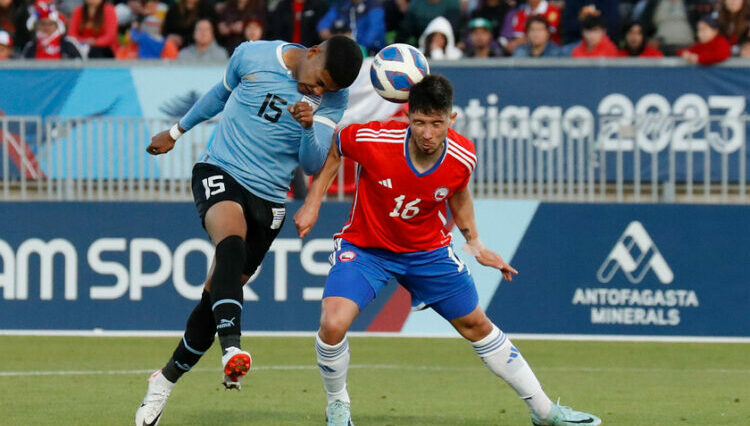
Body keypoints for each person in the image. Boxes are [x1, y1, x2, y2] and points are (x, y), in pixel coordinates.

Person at [293, 74, 602, 426]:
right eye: (420, 122)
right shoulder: (374, 137)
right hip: (367, 248)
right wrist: (313, 203)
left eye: (437, 124)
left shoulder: (463, 155)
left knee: (476, 324)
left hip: (426, 251)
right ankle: (338, 405)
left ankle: (545, 412)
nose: (427, 133)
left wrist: (475, 242)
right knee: (333, 324)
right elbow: (336, 148)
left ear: (450, 120)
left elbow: (458, 192)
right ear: (408, 116)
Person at [134, 36, 363, 426]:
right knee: (230, 242)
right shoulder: (253, 54)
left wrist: (307, 126)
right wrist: (175, 132)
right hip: (221, 170)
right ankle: (232, 350)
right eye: (319, 81)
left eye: (327, 89)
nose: (318, 90)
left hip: (269, 199)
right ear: (312, 54)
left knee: (214, 299)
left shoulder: (332, 101)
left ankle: (164, 380)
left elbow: (310, 164)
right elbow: (219, 95)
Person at [316, 0, 385, 54]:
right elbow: (323, 27)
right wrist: (339, 37)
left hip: (371, 53)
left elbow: (373, 34)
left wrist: (351, 38)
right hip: (345, 51)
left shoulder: (373, 5)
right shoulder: (342, 5)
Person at [264, 0, 329, 46]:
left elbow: (322, 31)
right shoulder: (282, 6)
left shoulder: (320, 5)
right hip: (287, 52)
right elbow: (276, 30)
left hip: (311, 52)